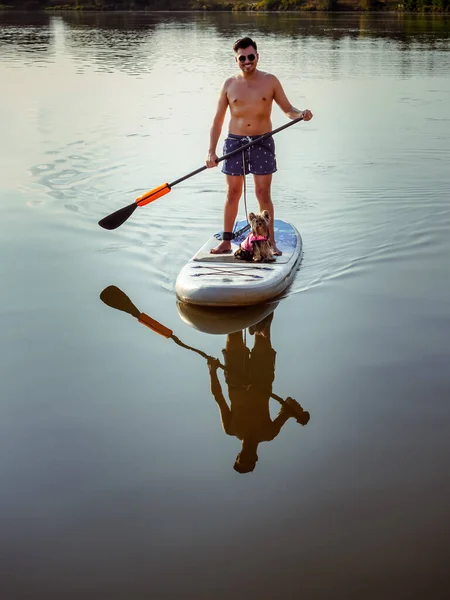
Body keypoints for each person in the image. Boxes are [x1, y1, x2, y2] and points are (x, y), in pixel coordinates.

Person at [206, 37, 313, 256]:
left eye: (251, 56)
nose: (247, 61)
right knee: (232, 193)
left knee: (263, 193)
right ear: (236, 60)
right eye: (242, 58)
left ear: (257, 56)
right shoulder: (229, 84)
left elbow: (288, 109)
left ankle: (270, 242)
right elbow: (217, 121)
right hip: (235, 143)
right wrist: (211, 151)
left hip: (262, 142)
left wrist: (300, 114)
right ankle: (226, 242)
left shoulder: (270, 81)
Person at [207, 312, 310, 474]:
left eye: (242, 458)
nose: (246, 456)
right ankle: (259, 317)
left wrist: (212, 371)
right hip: (262, 382)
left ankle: (234, 305)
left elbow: (219, 398)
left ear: (238, 455)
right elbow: (288, 404)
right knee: (263, 336)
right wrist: (299, 415)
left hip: (235, 381)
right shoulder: (269, 433)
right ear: (255, 458)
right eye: (249, 460)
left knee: (233, 334)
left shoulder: (231, 429)